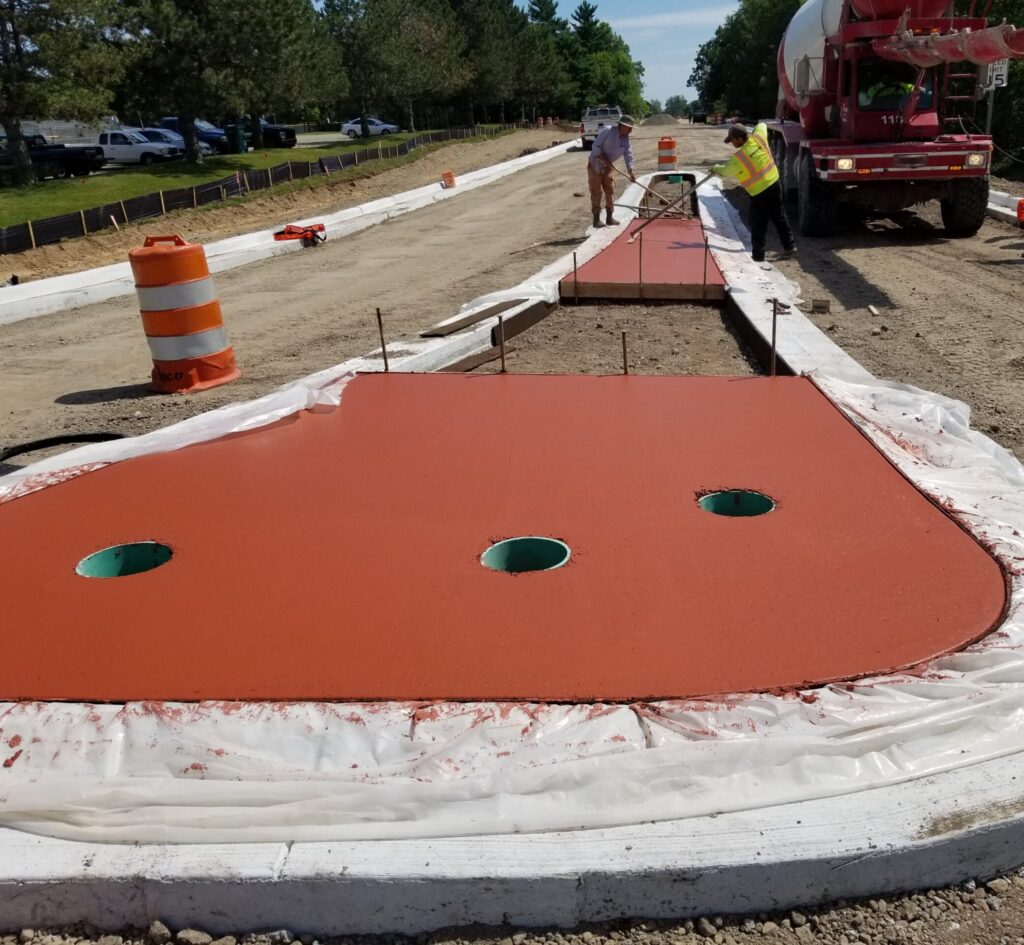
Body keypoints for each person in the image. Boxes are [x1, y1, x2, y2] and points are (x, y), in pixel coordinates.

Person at [712, 123, 796, 264]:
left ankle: (758, 256)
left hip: (759, 193)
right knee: (779, 217)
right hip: (775, 183)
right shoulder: (759, 137)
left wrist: (714, 168)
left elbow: (724, 171)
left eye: (732, 140)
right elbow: (762, 124)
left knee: (758, 224)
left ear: (739, 138)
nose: (731, 143)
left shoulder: (740, 158)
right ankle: (790, 247)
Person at [587, 115, 637, 228]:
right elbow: (595, 147)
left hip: (607, 167)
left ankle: (609, 217)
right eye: (628, 127)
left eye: (631, 128)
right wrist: (604, 160)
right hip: (595, 165)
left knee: (610, 190)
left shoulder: (625, 139)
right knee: (596, 191)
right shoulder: (608, 131)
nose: (630, 130)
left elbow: (628, 154)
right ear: (622, 126)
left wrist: (631, 171)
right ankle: (596, 220)